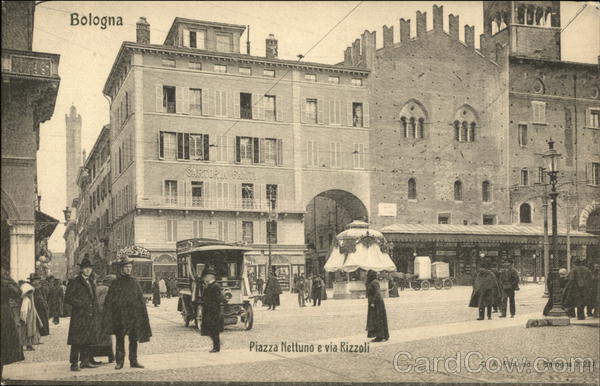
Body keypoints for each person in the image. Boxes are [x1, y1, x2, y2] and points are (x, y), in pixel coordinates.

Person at [103, 256, 152, 370]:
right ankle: (120, 362)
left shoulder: (134, 282)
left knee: (133, 339)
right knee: (120, 339)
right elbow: (109, 301)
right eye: (126, 267)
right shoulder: (116, 283)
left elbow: (140, 300)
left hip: (133, 317)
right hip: (120, 316)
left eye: (130, 267)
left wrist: (140, 313)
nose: (129, 269)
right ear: (122, 268)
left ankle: (133, 361)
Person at [63, 257, 100, 371]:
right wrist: (81, 304)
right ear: (81, 269)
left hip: (89, 315)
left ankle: (85, 361)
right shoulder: (75, 281)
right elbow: (68, 298)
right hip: (79, 315)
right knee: (77, 341)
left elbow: (93, 298)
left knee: (87, 339)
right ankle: (74, 364)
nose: (88, 270)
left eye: (90, 268)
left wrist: (95, 310)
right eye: (85, 268)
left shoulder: (91, 281)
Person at [1, 261, 24, 380]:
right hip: (3, 315)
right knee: (4, 343)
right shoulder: (5, 282)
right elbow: (18, 293)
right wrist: (9, 279)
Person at [89, 275, 115, 364]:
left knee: (95, 337)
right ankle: (110, 357)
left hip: (95, 317)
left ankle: (91, 357)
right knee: (106, 337)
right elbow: (102, 303)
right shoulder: (106, 289)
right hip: (102, 318)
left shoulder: (98, 288)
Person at [200, 266, 226, 353]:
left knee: (214, 330)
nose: (205, 278)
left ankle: (216, 347)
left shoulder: (215, 286)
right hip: (209, 311)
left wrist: (211, 305)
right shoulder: (209, 285)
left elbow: (218, 299)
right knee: (211, 329)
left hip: (213, 311)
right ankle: (216, 345)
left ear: (210, 276)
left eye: (206, 276)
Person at [365, 270, 389, 342]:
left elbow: (377, 293)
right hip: (374, 303)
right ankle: (378, 336)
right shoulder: (372, 282)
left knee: (378, 319)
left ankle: (381, 336)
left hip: (377, 303)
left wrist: (373, 302)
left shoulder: (374, 282)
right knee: (375, 320)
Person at [19, 279, 41, 351]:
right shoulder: (26, 300)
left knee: (29, 332)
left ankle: (28, 345)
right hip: (27, 319)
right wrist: (24, 318)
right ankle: (25, 345)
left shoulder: (29, 299)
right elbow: (24, 311)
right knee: (26, 332)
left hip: (30, 318)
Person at [29, 273, 50, 338]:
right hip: (37, 308)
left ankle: (38, 337)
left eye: (38, 280)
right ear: (33, 281)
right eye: (37, 280)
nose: (38, 281)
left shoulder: (38, 288)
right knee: (37, 323)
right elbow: (37, 299)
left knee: (40, 323)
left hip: (40, 308)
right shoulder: (32, 289)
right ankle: (36, 337)